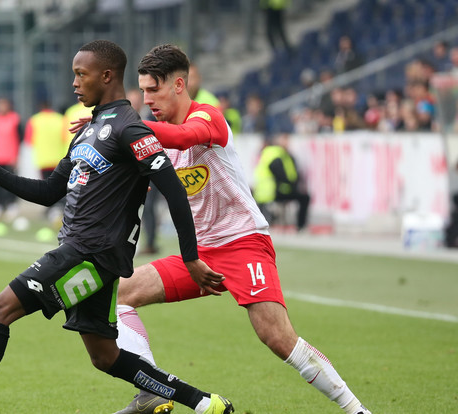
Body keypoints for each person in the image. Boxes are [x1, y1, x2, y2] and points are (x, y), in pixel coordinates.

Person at [0, 40, 234, 414]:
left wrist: (190, 259)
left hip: (89, 252)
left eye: (80, 74)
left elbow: (173, 192)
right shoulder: (88, 130)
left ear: (106, 76)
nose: (74, 83)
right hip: (92, 255)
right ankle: (204, 403)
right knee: (105, 356)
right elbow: (48, 192)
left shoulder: (130, 129)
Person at [110, 44, 370, 414]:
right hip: (199, 254)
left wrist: (123, 127)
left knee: (277, 337)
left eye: (154, 90)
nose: (146, 98)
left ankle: (358, 410)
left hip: (243, 243)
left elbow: (184, 138)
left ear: (179, 84)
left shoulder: (208, 117)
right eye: (144, 91)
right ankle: (151, 389)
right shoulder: (158, 137)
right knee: (120, 294)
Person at [128, 88, 162, 255]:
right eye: (131, 100)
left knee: (148, 208)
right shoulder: (123, 121)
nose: (134, 103)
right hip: (131, 174)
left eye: (136, 100)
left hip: (151, 172)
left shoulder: (151, 119)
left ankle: (150, 243)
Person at [253, 134, 310, 232]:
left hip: (266, 192)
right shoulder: (277, 155)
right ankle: (301, 226)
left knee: (303, 196)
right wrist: (291, 184)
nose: (287, 143)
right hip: (275, 191)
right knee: (304, 197)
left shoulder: (271, 153)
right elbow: (281, 175)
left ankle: (299, 226)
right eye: (285, 140)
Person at [24, 100, 67, 222]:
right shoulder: (60, 119)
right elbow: (65, 137)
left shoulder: (34, 120)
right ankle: (61, 207)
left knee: (47, 186)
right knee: (61, 186)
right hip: (59, 158)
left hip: (43, 159)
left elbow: (29, 141)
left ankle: (51, 209)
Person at [0, 97, 22, 220]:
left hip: (11, 157)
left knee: (11, 182)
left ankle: (12, 205)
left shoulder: (14, 119)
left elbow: (20, 137)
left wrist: (16, 156)